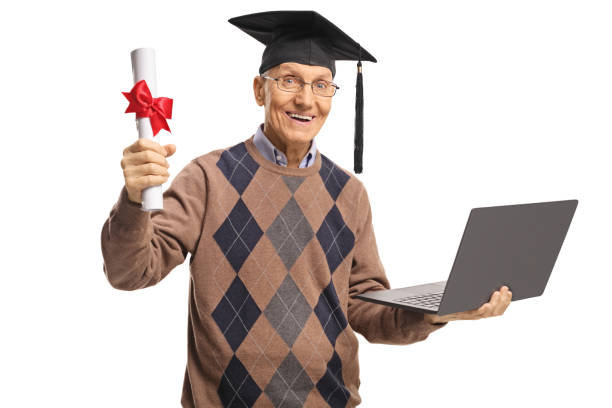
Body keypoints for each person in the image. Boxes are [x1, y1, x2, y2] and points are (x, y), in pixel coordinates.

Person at [101, 10, 512, 408]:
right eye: (289, 80)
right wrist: (136, 200)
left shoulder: (349, 194)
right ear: (260, 89)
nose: (305, 99)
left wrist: (439, 310)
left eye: (321, 84)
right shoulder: (208, 178)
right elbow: (131, 272)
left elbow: (365, 308)